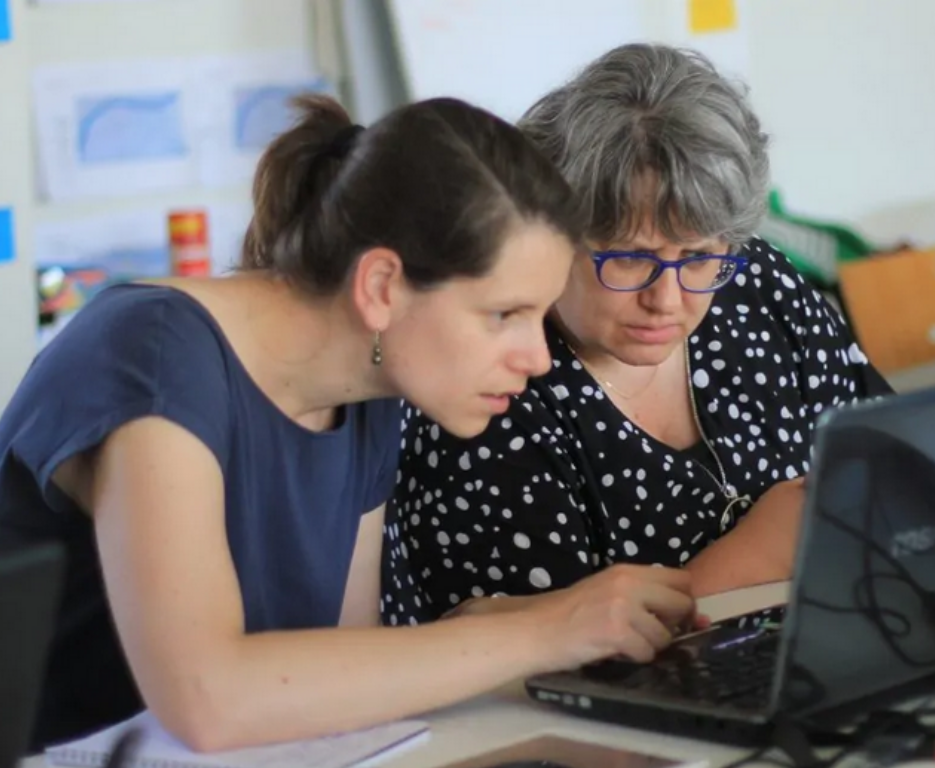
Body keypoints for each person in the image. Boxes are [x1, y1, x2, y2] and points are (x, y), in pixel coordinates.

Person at [0, 95, 705, 754]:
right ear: (380, 287)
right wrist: (546, 631)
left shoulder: (371, 391)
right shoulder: (153, 356)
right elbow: (207, 698)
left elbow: (332, 666)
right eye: (504, 315)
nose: (538, 358)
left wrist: (492, 630)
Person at [381, 44, 892, 627]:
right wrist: (749, 561)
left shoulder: (760, 287)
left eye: (698, 257)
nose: (666, 300)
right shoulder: (493, 385)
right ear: (551, 235)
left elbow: (897, 473)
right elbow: (512, 668)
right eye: (629, 258)